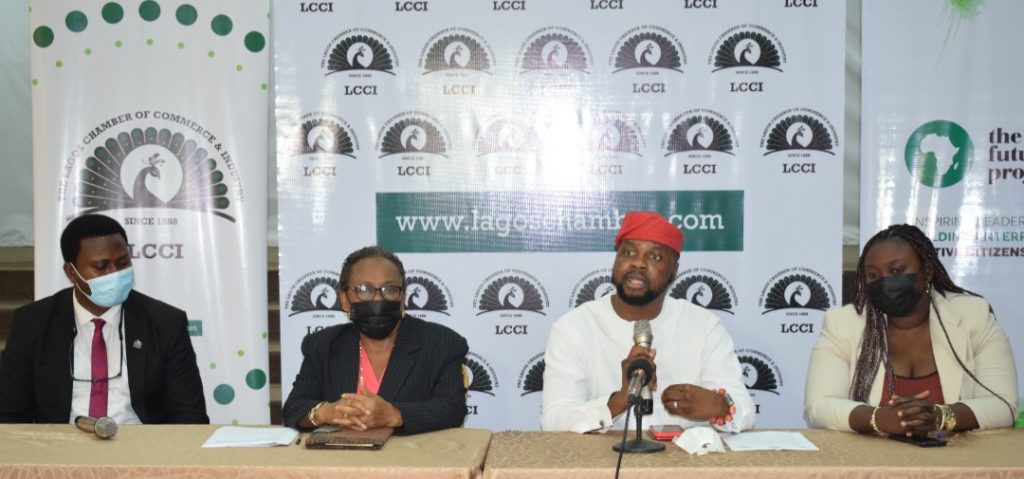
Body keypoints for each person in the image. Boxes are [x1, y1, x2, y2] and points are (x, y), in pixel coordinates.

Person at [541, 211, 755, 433]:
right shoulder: (573, 328)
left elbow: (745, 411)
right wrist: (619, 400)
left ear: (674, 270)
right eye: (628, 252)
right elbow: (554, 420)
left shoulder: (704, 326)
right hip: (602, 456)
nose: (638, 263)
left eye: (655, 257)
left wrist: (718, 405)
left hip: (684, 455)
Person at [805, 224, 1018, 435]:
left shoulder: (973, 316)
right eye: (873, 275)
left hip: (957, 455)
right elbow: (819, 406)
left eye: (896, 270)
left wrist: (939, 416)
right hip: (871, 456)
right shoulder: (842, 324)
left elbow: (1003, 405)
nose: (885, 281)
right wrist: (879, 419)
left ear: (927, 272)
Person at [0, 214, 208, 424]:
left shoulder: (165, 323)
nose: (115, 273)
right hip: (61, 441)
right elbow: (10, 414)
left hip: (139, 441)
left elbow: (189, 415)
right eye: (101, 267)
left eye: (123, 262)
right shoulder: (33, 323)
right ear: (71, 272)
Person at [282, 246, 468, 435]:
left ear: (402, 298)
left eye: (389, 289)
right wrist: (326, 413)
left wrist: (396, 415)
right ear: (345, 300)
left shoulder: (442, 343)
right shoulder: (323, 345)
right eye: (364, 290)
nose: (378, 298)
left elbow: (452, 409)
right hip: (341, 452)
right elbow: (294, 409)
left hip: (413, 453)